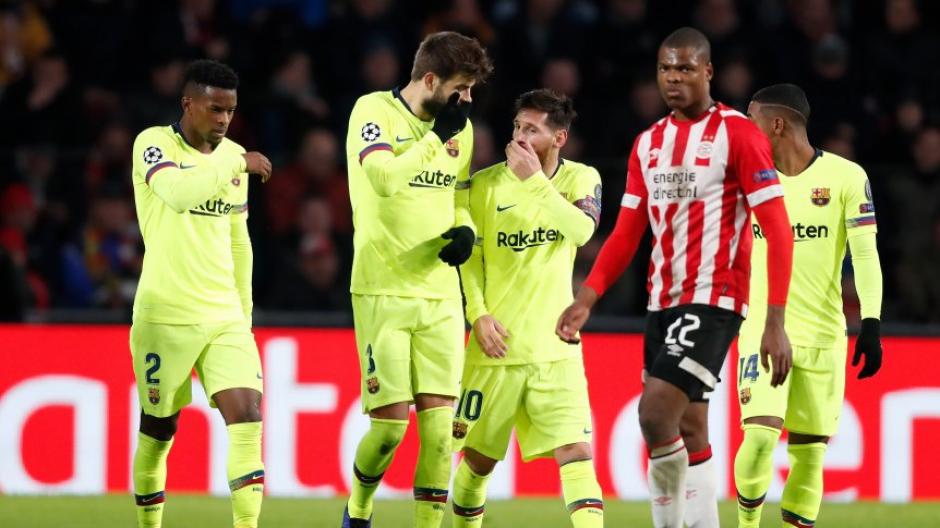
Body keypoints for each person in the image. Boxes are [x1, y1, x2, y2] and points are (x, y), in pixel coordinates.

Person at [556, 27, 795, 528]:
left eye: (685, 68)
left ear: (708, 72)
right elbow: (627, 231)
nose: (673, 78)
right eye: (666, 68)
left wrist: (775, 320)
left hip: (714, 297)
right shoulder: (649, 143)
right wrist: (587, 297)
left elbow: (777, 228)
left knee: (654, 414)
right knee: (690, 428)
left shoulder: (738, 134)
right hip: (662, 302)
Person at [342, 31, 492, 528]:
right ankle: (358, 508)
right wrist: (434, 139)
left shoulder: (460, 130)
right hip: (382, 287)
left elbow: (457, 197)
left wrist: (466, 230)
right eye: (460, 88)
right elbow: (384, 179)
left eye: (471, 90)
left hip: (440, 295)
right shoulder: (373, 112)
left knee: (441, 435)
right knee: (389, 431)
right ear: (430, 80)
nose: (466, 100)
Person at [128, 59, 273, 528]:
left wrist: (244, 316)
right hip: (165, 315)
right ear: (188, 104)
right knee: (159, 431)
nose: (224, 120)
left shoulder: (233, 155)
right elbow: (178, 194)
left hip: (223, 316)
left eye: (230, 111)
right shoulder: (153, 144)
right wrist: (236, 162)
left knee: (247, 416)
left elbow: (238, 241)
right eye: (215, 109)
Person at [451, 89, 604, 527]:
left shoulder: (581, 178)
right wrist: (477, 314)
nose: (519, 136)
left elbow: (581, 231)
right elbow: (471, 262)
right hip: (497, 347)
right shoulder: (484, 185)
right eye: (517, 126)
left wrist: (535, 182)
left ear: (559, 138)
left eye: (532, 130)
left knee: (577, 453)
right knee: (477, 463)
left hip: (557, 349)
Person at [734, 83, 883, 528]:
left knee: (809, 454)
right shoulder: (744, 181)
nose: (746, 132)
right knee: (760, 438)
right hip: (763, 330)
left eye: (752, 121)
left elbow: (866, 254)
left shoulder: (846, 177)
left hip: (823, 336)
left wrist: (871, 323)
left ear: (777, 125)